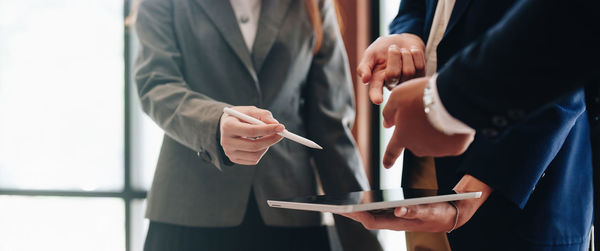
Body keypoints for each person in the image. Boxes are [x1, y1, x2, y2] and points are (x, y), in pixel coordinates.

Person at [342, 0, 598, 249]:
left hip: (522, 181)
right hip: (426, 167)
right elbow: (415, 6)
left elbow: (567, 38)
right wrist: (409, 35)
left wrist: (443, 102)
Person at [134, 0, 381, 250]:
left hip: (291, 211)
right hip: (191, 208)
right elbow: (155, 85)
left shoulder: (313, 4)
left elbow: (332, 125)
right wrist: (214, 123)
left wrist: (365, 239)